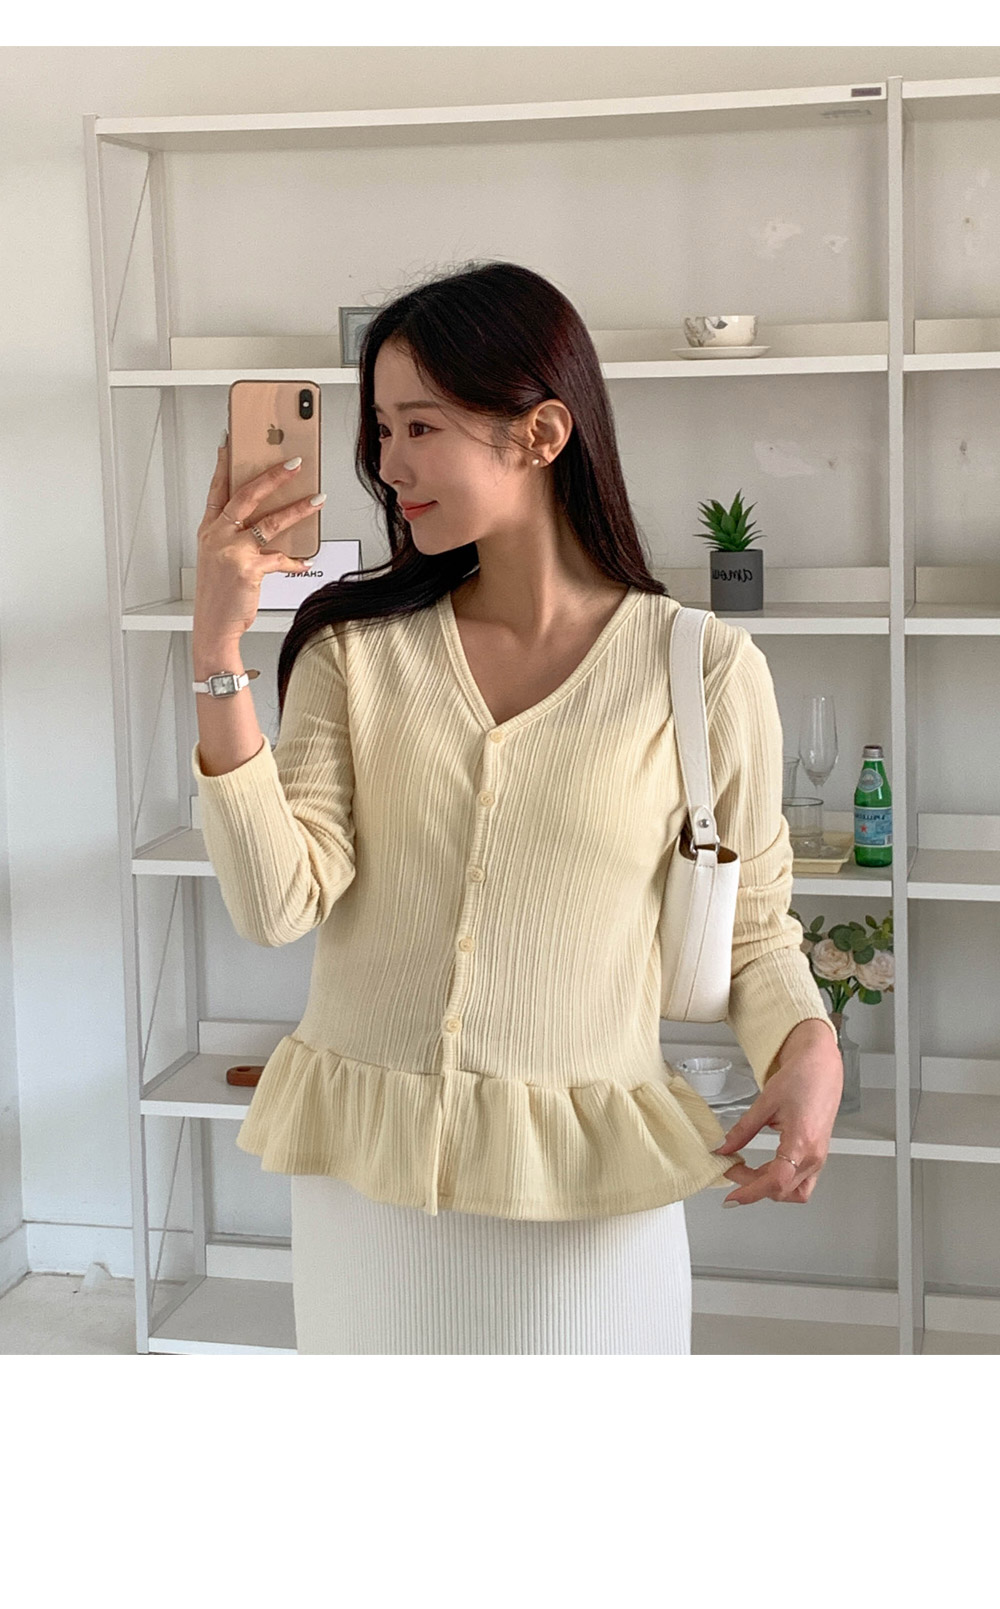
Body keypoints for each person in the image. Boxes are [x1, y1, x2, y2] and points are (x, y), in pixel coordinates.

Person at [191, 260, 843, 1354]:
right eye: (381, 430)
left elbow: (753, 929)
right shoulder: (356, 653)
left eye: (421, 426)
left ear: (540, 434)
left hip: (586, 1211)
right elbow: (275, 904)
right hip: (370, 1199)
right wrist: (217, 649)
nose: (389, 464)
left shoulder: (702, 669)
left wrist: (809, 1045)